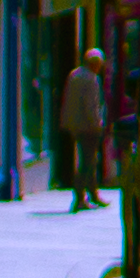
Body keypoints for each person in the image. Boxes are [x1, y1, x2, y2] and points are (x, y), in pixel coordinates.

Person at [56, 45, 110, 212]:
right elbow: (91, 105)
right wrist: (98, 123)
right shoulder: (91, 79)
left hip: (75, 126)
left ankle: (92, 194)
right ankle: (80, 197)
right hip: (88, 127)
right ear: (95, 64)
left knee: (88, 159)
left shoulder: (75, 75)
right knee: (88, 162)